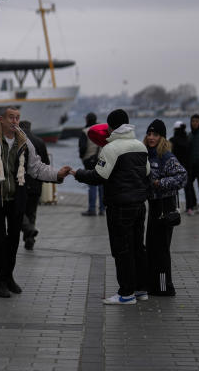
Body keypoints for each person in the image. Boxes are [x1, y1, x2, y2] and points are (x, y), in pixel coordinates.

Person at [0, 106, 70, 298]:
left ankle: (8, 276)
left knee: (13, 239)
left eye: (17, 118)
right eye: (11, 118)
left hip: (17, 196)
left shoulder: (23, 140)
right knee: (0, 239)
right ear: (1, 119)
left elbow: (36, 167)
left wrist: (57, 174)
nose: (15, 121)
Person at [72, 109, 150, 305]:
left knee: (122, 249)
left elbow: (99, 176)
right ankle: (141, 290)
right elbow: (147, 173)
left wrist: (77, 173)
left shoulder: (111, 148)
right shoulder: (140, 146)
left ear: (111, 127)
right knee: (138, 248)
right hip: (140, 205)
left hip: (119, 206)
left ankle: (126, 293)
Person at [143, 119, 186, 296]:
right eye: (149, 134)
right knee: (151, 247)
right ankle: (152, 285)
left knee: (161, 250)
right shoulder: (146, 154)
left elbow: (182, 176)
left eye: (155, 134)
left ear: (162, 137)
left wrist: (160, 183)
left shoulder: (166, 156)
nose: (151, 137)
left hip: (165, 207)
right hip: (154, 207)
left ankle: (164, 287)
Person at [18, 120, 49, 251]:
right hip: (36, 183)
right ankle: (29, 239)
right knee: (32, 212)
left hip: (21, 182)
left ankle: (29, 229)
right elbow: (46, 163)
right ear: (31, 127)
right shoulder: (40, 141)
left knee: (18, 211)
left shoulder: (16, 141)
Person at [78, 112, 105, 216]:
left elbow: (83, 147)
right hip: (102, 159)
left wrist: (82, 157)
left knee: (92, 185)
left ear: (87, 120)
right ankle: (102, 209)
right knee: (102, 185)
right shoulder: (102, 130)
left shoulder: (85, 131)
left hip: (89, 161)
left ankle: (92, 209)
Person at [169, 120, 191, 211]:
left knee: (174, 188)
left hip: (175, 166)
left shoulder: (172, 140)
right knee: (188, 188)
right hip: (187, 166)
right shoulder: (188, 139)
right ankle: (189, 207)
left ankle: (175, 207)